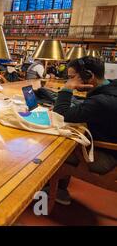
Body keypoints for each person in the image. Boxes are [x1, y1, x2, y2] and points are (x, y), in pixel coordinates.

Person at [49, 56, 117, 205]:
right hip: (110, 146)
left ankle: (54, 189)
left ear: (89, 75)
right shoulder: (111, 88)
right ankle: (58, 186)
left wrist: (67, 89)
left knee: (51, 145)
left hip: (105, 155)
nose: (69, 81)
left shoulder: (101, 101)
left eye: (72, 78)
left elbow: (59, 115)